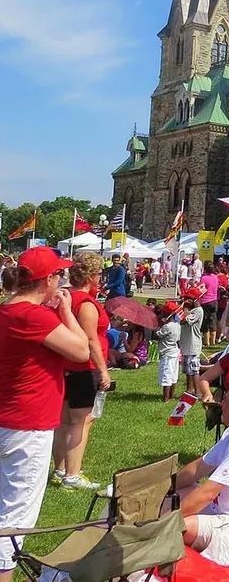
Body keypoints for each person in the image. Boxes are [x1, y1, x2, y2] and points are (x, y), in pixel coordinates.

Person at [0, 247, 89, 582]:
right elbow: (81, 351)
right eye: (59, 275)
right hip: (28, 426)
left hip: (8, 418)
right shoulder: (32, 316)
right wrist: (66, 312)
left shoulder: (8, 311)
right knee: (14, 519)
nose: (62, 281)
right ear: (47, 280)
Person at [52, 252, 112, 491]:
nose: (100, 278)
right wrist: (103, 370)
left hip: (64, 365)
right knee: (81, 421)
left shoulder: (65, 297)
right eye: (99, 274)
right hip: (84, 368)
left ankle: (60, 469)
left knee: (64, 421)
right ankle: (72, 475)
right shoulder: (86, 303)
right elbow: (91, 340)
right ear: (91, 275)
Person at [178, 381, 229, 570]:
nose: (221, 403)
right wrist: (160, 488)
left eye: (225, 399)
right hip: (217, 511)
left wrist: (162, 524)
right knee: (169, 498)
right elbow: (196, 469)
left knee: (180, 527)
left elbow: (208, 493)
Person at [156, 301, 183, 401]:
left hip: (167, 353)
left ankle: (166, 398)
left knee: (166, 375)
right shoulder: (177, 325)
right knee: (173, 375)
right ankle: (171, 395)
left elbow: (158, 334)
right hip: (175, 351)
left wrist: (159, 326)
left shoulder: (167, 326)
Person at [179, 296, 204, 394]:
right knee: (187, 371)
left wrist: (184, 310)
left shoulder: (198, 311)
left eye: (188, 299)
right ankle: (189, 390)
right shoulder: (191, 310)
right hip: (186, 345)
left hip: (193, 345)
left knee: (193, 370)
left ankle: (197, 392)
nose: (185, 301)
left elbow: (184, 321)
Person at [199, 261, 221, 348]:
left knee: (206, 321)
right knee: (213, 320)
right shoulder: (215, 277)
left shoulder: (204, 278)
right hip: (214, 300)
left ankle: (206, 341)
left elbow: (201, 289)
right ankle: (213, 341)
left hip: (205, 301)